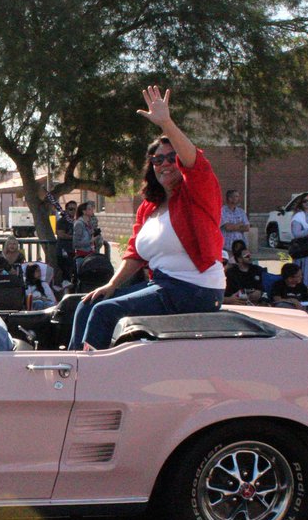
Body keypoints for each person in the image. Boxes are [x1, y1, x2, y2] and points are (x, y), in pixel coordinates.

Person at [69, 86, 225, 351]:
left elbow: (195, 163)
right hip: (163, 285)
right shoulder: (149, 207)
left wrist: (165, 122)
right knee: (88, 304)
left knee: (104, 312)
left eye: (171, 157)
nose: (164, 163)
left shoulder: (198, 193)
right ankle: (68, 368)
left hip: (196, 289)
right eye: (157, 159)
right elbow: (134, 254)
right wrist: (111, 285)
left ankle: (83, 379)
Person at [223, 241, 266, 305]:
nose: (250, 257)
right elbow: (229, 292)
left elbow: (261, 288)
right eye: (247, 256)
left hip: (256, 302)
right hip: (238, 302)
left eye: (250, 255)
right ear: (239, 259)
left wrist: (259, 292)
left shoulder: (257, 270)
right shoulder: (231, 273)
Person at [73, 201, 99, 274]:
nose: (92, 211)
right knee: (82, 276)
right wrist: (90, 241)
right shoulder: (79, 224)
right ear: (84, 211)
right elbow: (76, 243)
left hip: (91, 253)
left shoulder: (89, 223)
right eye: (89, 209)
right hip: (82, 255)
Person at [56, 200, 77, 289]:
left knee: (75, 269)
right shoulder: (62, 221)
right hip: (64, 248)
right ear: (66, 210)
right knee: (66, 270)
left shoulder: (78, 221)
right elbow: (61, 234)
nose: (73, 211)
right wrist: (74, 237)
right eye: (71, 209)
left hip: (75, 249)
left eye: (75, 209)